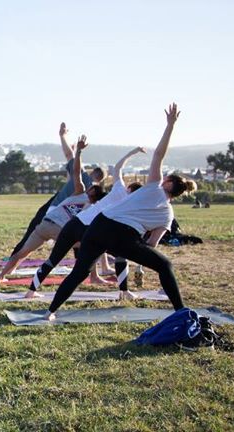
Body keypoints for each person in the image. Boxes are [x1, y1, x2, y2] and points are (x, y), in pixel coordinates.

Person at [45, 103, 196, 320]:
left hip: (99, 225)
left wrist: (170, 125)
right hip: (122, 235)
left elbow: (159, 155)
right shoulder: (168, 214)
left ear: (168, 181)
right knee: (165, 265)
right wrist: (137, 258)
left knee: (80, 272)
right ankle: (180, 312)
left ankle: (50, 312)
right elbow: (151, 245)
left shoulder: (154, 185)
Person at [25, 146, 146, 299]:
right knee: (120, 255)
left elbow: (118, 167)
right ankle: (124, 291)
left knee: (54, 259)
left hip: (73, 225)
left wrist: (132, 152)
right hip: (90, 231)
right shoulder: (130, 202)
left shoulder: (118, 190)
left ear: (129, 188)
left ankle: (31, 291)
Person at [0, 135, 106, 282]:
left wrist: (79, 151)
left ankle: (1, 277)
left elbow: (76, 172)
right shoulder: (90, 205)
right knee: (89, 245)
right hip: (59, 230)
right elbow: (77, 172)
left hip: (45, 224)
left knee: (22, 253)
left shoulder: (79, 191)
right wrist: (78, 151)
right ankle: (93, 276)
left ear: (92, 192)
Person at [9, 122, 105, 257]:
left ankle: (12, 261)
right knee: (78, 240)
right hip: (68, 216)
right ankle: (82, 268)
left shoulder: (83, 176)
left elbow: (69, 155)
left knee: (31, 235)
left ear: (92, 172)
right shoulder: (94, 192)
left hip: (55, 209)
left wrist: (63, 136)